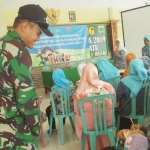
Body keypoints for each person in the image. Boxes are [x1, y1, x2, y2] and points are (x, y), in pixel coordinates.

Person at [0, 4, 53, 149]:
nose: (38, 38)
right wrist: (36, 126)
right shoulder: (19, 52)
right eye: (38, 32)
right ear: (24, 26)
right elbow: (26, 101)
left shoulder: (2, 43)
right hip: (13, 131)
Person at [73, 63, 116, 150]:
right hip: (108, 122)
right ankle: (106, 143)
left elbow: (77, 111)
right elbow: (114, 104)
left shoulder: (79, 91)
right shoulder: (108, 86)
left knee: (78, 116)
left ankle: (89, 145)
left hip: (90, 126)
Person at [116, 59, 148, 130]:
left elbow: (117, 97)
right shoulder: (147, 79)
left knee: (117, 112)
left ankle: (123, 135)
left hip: (128, 111)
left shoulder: (124, 82)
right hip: (145, 109)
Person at [46, 69, 74, 134]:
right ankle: (63, 121)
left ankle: (53, 129)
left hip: (60, 110)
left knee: (48, 109)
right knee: (63, 104)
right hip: (71, 108)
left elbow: (53, 102)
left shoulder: (54, 89)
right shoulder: (70, 84)